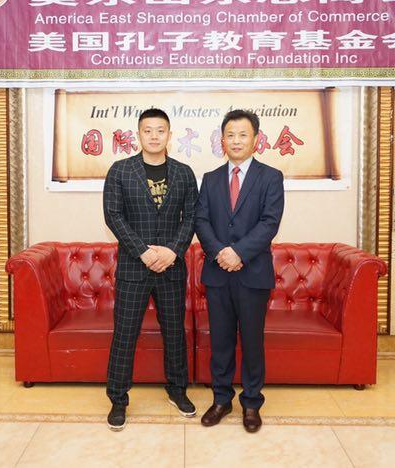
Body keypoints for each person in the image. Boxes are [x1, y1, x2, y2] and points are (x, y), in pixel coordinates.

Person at [103, 108, 199, 431]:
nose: (154, 136)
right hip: (134, 268)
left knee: (174, 332)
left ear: (169, 135)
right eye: (148, 130)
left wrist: (172, 251)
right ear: (138, 134)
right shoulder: (120, 171)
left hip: (171, 268)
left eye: (160, 130)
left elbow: (192, 217)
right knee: (125, 333)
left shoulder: (184, 173)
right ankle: (118, 399)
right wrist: (143, 252)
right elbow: (113, 216)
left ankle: (177, 389)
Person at [194, 109, 285, 433]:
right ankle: (221, 400)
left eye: (243, 135)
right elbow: (201, 220)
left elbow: (269, 223)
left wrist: (239, 253)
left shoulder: (271, 177)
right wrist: (220, 252)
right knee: (220, 341)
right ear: (222, 140)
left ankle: (251, 403)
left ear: (256, 139)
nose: (236, 141)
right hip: (218, 274)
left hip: (252, 273)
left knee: (252, 341)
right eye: (230, 135)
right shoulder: (210, 179)